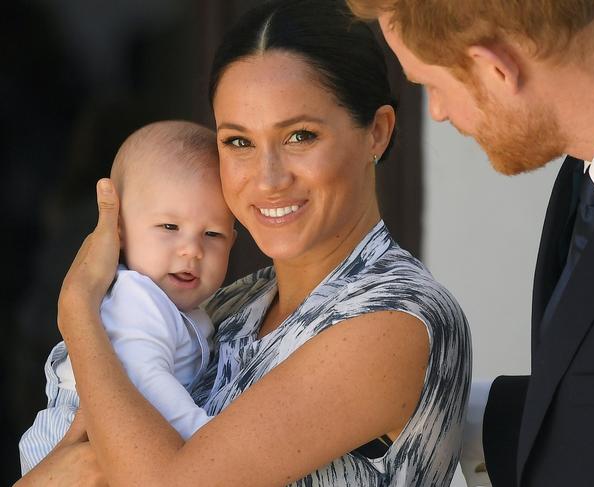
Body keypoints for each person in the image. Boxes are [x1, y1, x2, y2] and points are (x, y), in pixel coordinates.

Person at [15, 1, 471, 486]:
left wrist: (78, 310)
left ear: (376, 133)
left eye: (300, 136)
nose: (268, 178)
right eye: (238, 142)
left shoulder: (395, 319)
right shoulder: (234, 304)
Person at [346, 0, 594, 486]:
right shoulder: (589, 174)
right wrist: (437, 409)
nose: (439, 113)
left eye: (430, 85)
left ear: (495, 69)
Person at [18, 120, 236, 474]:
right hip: (73, 440)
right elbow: (146, 379)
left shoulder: (187, 309)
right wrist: (204, 437)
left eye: (213, 234)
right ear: (118, 231)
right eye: (170, 227)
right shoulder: (137, 298)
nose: (192, 250)